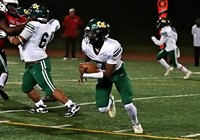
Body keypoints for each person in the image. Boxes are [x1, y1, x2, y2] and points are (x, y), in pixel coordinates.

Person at [6, 3, 80, 117]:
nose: (29, 16)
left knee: (49, 89)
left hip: (39, 62)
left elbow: (16, 41)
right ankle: (41, 106)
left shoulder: (33, 25)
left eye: (31, 14)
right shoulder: (49, 26)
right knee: (26, 87)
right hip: (31, 64)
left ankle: (71, 105)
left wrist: (7, 36)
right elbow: (56, 23)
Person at [79, 18, 143, 133]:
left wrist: (88, 75)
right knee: (102, 109)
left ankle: (136, 123)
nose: (88, 35)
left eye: (92, 33)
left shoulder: (113, 47)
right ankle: (110, 100)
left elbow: (108, 73)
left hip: (118, 74)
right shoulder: (85, 44)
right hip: (102, 73)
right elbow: (87, 55)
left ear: (100, 34)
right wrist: (86, 66)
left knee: (128, 104)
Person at [0, 0, 25, 100]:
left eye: (14, 6)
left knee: (4, 72)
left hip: (1, 49)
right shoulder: (2, 15)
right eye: (10, 5)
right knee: (4, 72)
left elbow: (17, 23)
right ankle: (0, 87)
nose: (12, 8)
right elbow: (10, 30)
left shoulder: (8, 16)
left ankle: (1, 87)